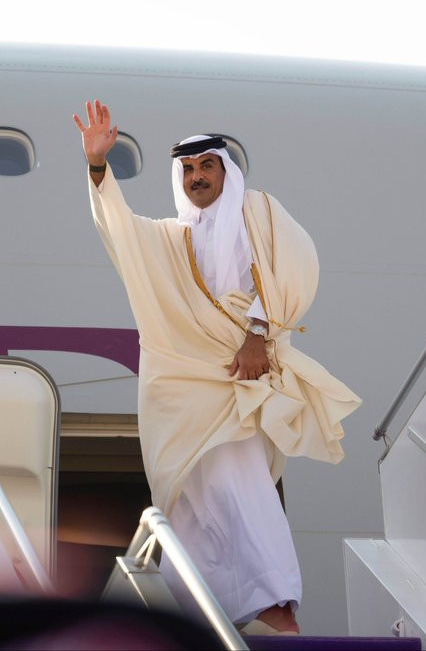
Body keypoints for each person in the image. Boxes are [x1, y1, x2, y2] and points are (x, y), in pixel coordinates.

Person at [73, 100, 361, 635]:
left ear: (227, 170)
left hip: (235, 380)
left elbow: (294, 268)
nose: (196, 177)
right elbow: (121, 230)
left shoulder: (259, 213)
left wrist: (257, 335)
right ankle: (197, 619)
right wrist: (97, 166)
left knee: (242, 489)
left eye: (206, 166)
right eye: (187, 169)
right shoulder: (172, 238)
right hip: (184, 392)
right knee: (191, 503)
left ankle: (276, 610)